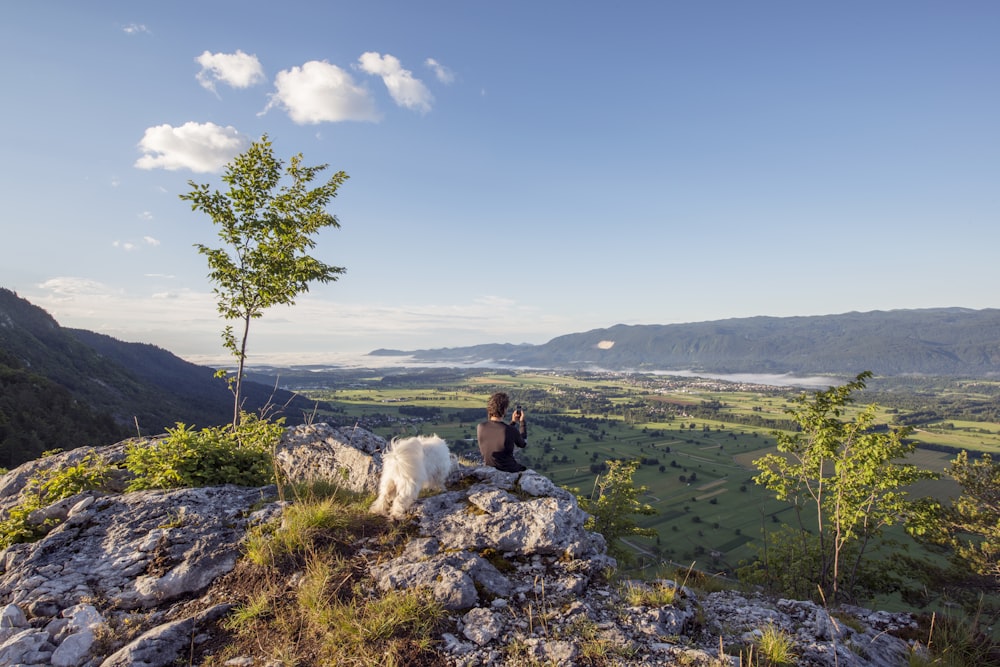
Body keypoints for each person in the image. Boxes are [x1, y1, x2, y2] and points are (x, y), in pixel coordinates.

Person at [477, 392, 527, 472]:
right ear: (503, 410)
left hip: (489, 468)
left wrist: (513, 422)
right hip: (509, 470)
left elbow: (499, 431)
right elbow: (523, 443)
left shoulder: (480, 427)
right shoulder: (510, 430)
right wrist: (522, 423)